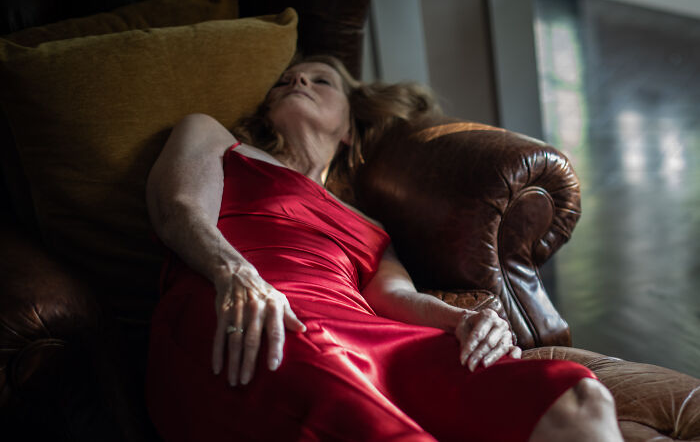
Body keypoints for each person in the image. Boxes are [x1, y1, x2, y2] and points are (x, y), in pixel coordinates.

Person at [145, 55, 624, 441]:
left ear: (348, 127)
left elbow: (394, 298)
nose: (298, 81)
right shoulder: (216, 138)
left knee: (576, 398)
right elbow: (177, 209)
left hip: (366, 336)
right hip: (257, 316)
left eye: (320, 80)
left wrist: (466, 319)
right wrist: (236, 273)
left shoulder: (369, 223)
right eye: (285, 81)